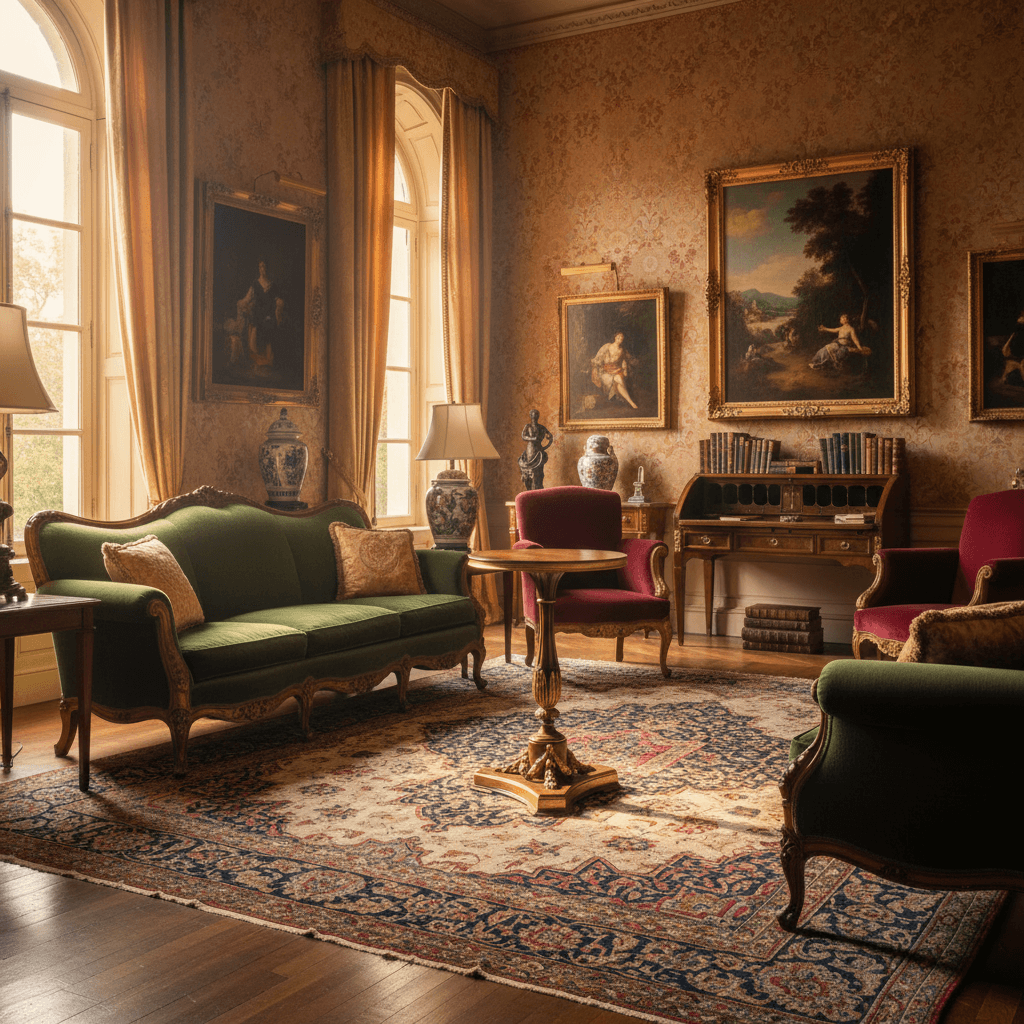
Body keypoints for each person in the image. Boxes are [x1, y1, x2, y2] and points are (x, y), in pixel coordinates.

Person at [236, 258, 285, 371]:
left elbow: (277, 299)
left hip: (269, 314)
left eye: (265, 266)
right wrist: (241, 303)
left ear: (267, 268)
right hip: (257, 314)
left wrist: (280, 302)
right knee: (257, 324)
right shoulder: (255, 284)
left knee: (269, 324)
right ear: (259, 269)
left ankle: (268, 360)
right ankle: (257, 360)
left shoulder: (272, 285)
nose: (263, 269)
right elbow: (248, 298)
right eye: (261, 266)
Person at [589, 332, 638, 409]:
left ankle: (631, 402)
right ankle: (631, 402)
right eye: (618, 337)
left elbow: (627, 359)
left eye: (621, 338)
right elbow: (598, 358)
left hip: (616, 370)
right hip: (605, 371)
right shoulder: (607, 346)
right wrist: (595, 367)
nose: (620, 339)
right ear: (615, 337)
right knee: (618, 380)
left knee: (619, 379)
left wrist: (626, 368)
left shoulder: (622, 350)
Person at [518, 409, 554, 490]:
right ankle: (530, 489)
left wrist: (545, 447)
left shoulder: (541, 427)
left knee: (539, 471)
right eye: (533, 415)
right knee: (530, 470)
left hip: (538, 450)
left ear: (538, 416)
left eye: (536, 416)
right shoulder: (528, 426)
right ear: (531, 416)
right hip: (530, 449)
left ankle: (538, 488)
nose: (535, 417)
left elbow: (550, 437)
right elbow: (523, 436)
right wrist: (532, 438)